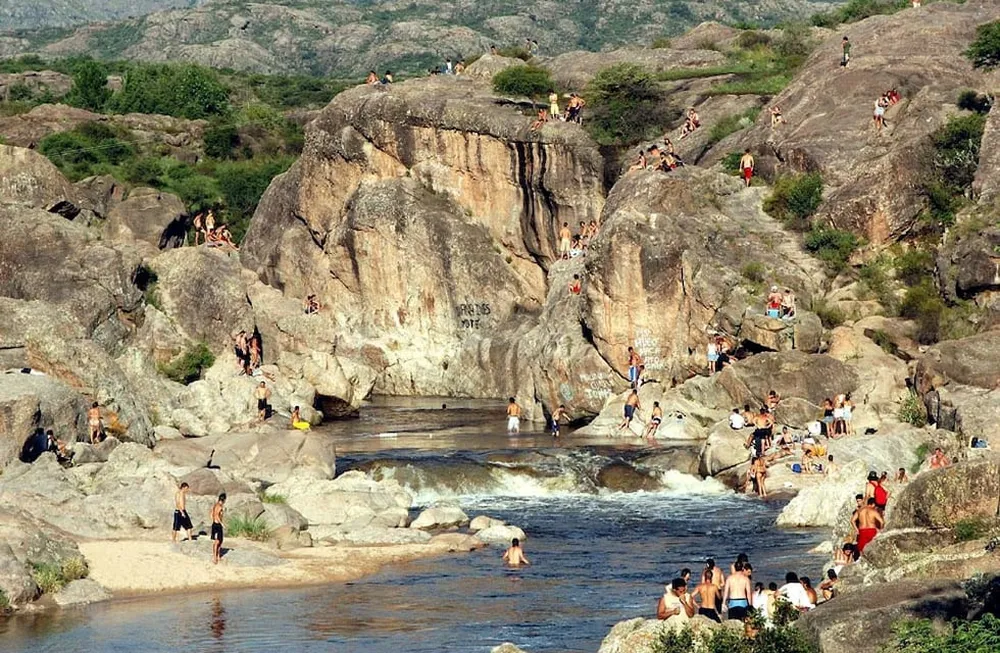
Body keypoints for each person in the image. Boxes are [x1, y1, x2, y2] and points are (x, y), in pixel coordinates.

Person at [211, 493, 226, 564]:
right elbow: (217, 515)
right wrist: (222, 524)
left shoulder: (215, 505)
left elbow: (211, 513)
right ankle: (215, 558)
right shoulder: (219, 507)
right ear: (223, 500)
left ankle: (218, 556)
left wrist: (213, 519)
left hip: (215, 524)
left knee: (220, 540)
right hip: (217, 525)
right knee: (217, 542)